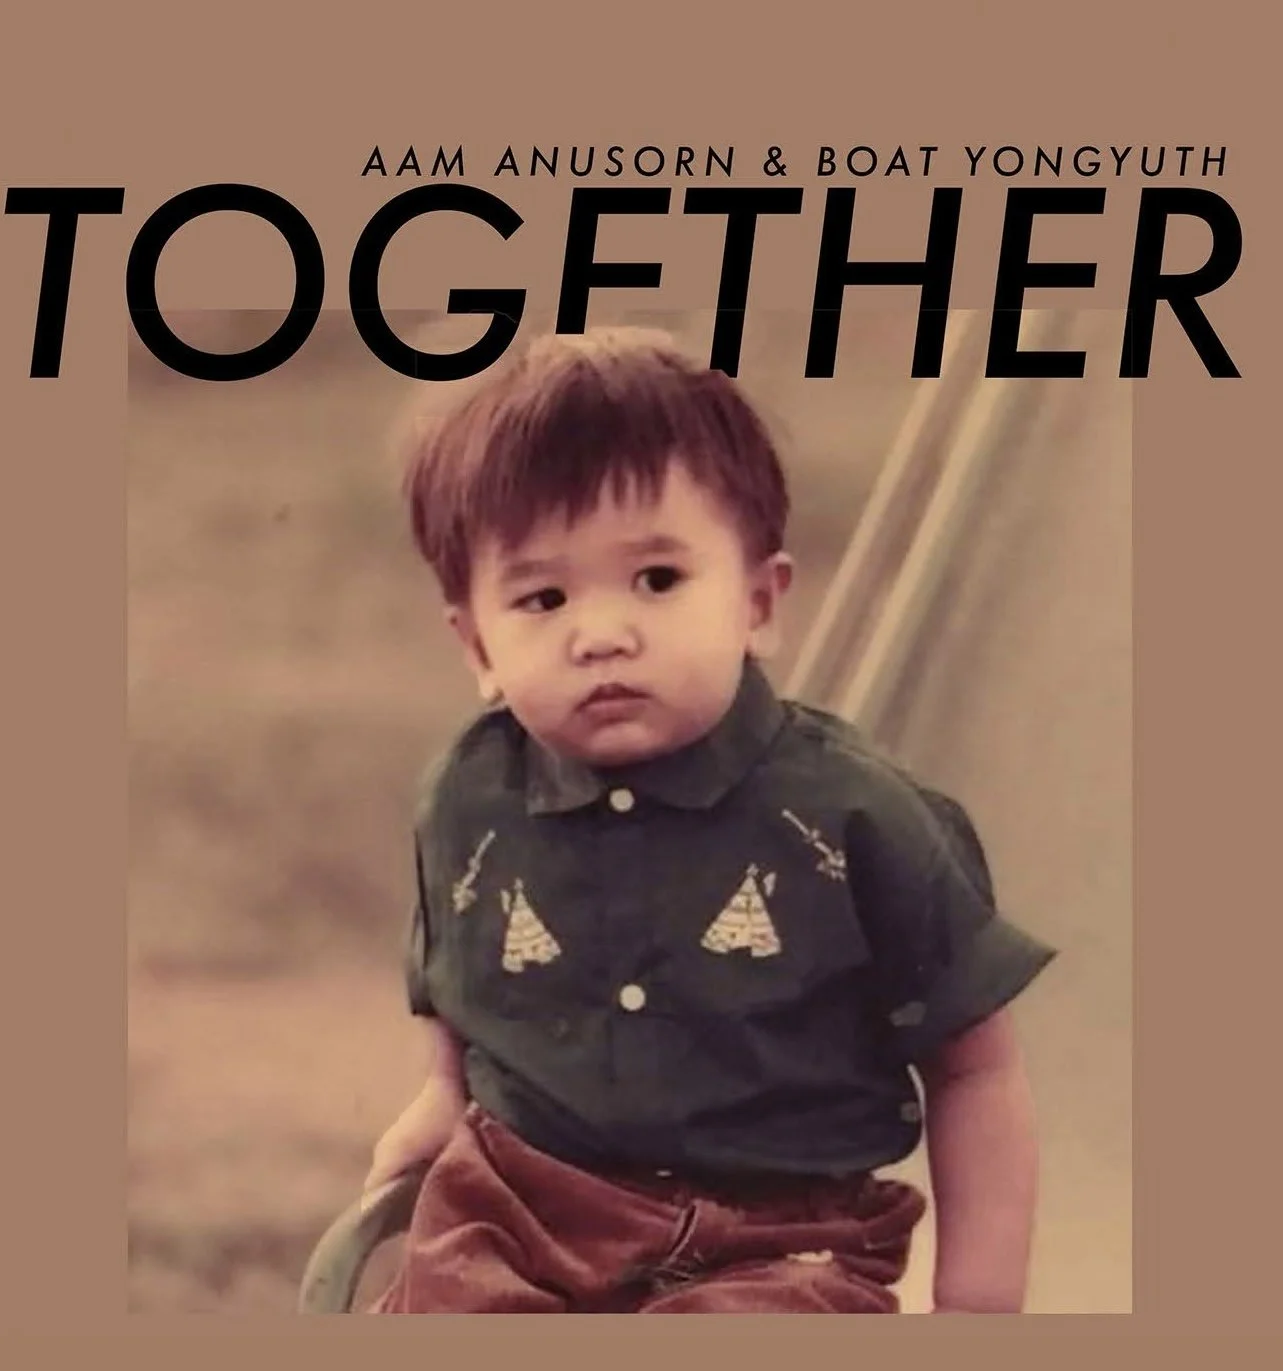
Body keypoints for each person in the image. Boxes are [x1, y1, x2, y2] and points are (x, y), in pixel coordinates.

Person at [360, 328, 1056, 1314]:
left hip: (778, 1239)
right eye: (543, 596)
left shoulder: (858, 818)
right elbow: (457, 987)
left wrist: (978, 1303)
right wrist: (441, 1096)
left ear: (760, 602)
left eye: (657, 579)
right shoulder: (468, 797)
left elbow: (977, 1070)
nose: (601, 633)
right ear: (478, 643)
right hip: (523, 1211)